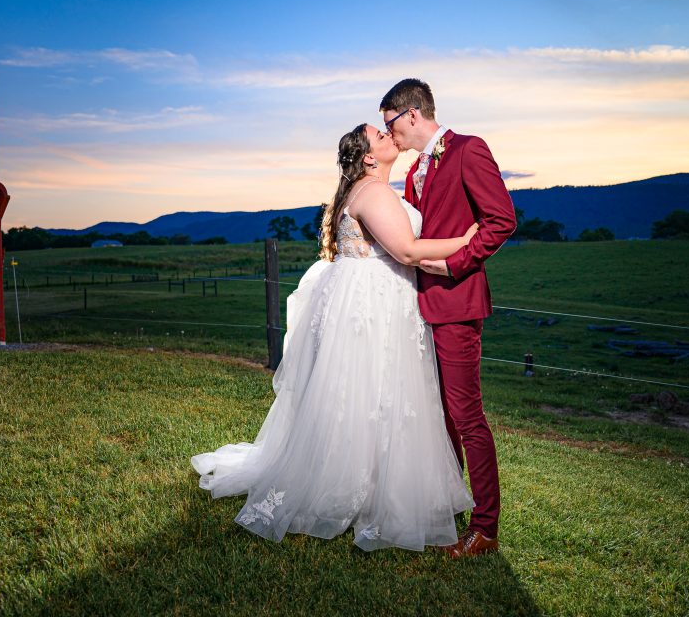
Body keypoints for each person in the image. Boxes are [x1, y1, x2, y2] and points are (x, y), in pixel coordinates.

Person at [192, 123, 478, 552]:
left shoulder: (359, 190)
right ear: (367, 157)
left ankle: (369, 477)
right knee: (376, 392)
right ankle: (368, 489)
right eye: (379, 136)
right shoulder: (375, 192)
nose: (388, 136)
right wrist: (469, 238)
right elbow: (405, 252)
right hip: (375, 304)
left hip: (367, 299)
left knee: (360, 393)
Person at [380, 78, 517, 557]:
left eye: (391, 123)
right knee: (438, 417)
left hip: (457, 304)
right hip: (419, 307)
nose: (390, 135)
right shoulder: (416, 167)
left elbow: (502, 221)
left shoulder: (468, 150)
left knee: (466, 416)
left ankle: (486, 527)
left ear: (412, 114)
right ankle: (449, 506)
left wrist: (455, 262)